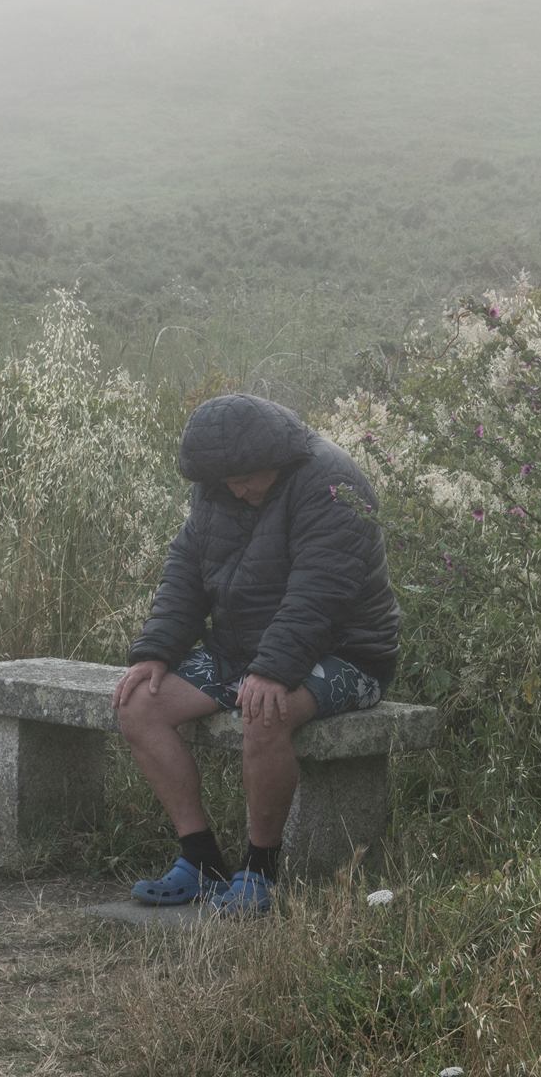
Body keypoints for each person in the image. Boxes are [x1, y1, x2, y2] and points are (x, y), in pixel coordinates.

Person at [110, 392, 399, 915]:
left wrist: (271, 670)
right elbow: (185, 573)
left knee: (264, 712)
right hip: (242, 650)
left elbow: (322, 592)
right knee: (138, 703)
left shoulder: (332, 482)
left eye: (245, 477)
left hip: (347, 652)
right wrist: (154, 651)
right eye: (225, 481)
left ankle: (260, 871)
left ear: (277, 457)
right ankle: (199, 861)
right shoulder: (219, 488)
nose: (236, 489)